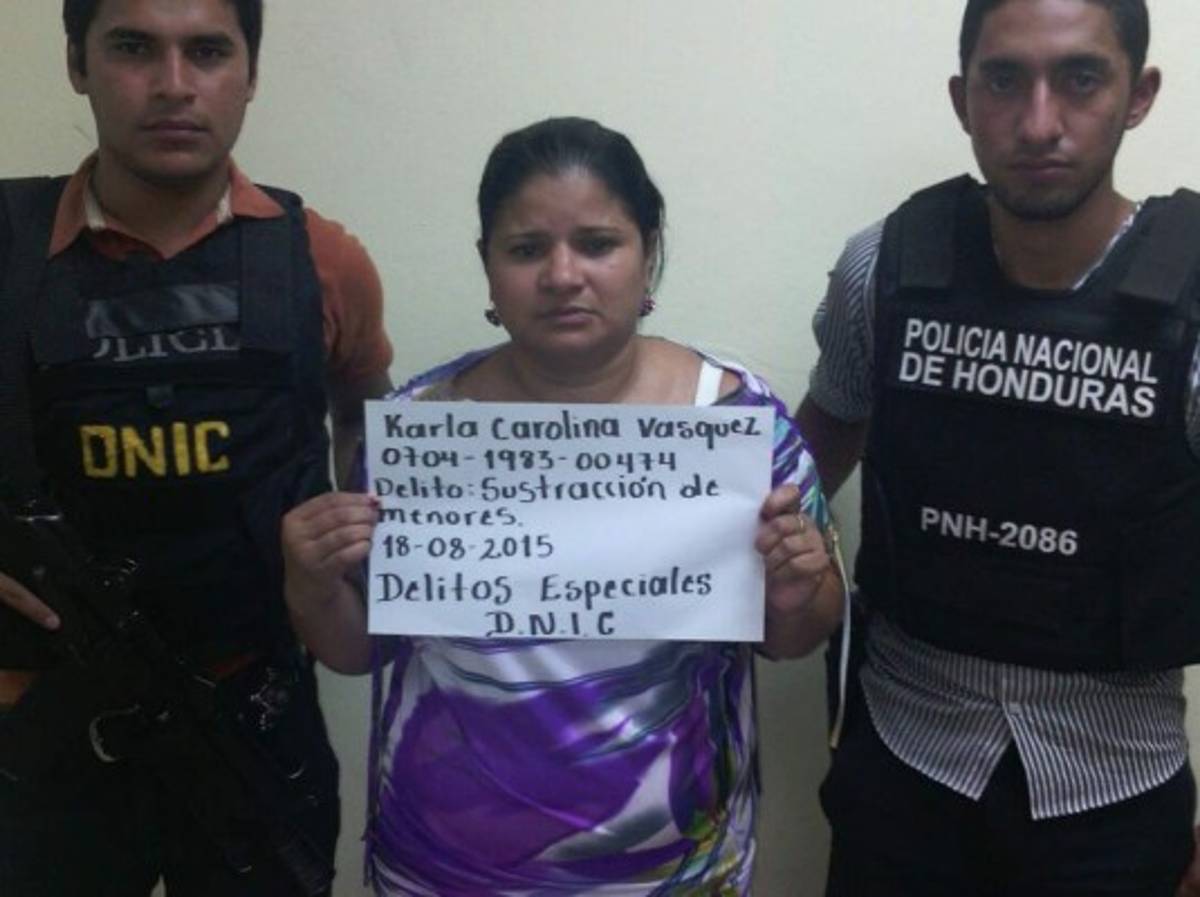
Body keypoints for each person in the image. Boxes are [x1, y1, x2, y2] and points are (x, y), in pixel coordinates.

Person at [282, 116, 843, 895]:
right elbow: (359, 650)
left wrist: (796, 589)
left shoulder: (735, 422)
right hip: (443, 870)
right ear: (488, 268)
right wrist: (310, 582)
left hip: (673, 873)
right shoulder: (422, 430)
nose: (562, 274)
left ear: (648, 252)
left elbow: (798, 635)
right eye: (526, 249)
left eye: (598, 243)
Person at [794, 1, 1200, 895]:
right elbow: (805, 462)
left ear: (1139, 95)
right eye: (1005, 80)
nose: (1039, 122)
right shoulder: (885, 266)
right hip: (902, 762)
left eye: (1081, 78)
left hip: (1115, 783)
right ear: (962, 98)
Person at [0, 1, 392, 895]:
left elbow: (365, 423)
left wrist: (365, 583)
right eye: (134, 47)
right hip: (41, 732)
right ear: (77, 62)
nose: (174, 85)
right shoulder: (7, 244)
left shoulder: (322, 260)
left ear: (250, 74)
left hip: (249, 725)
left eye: (208, 51)